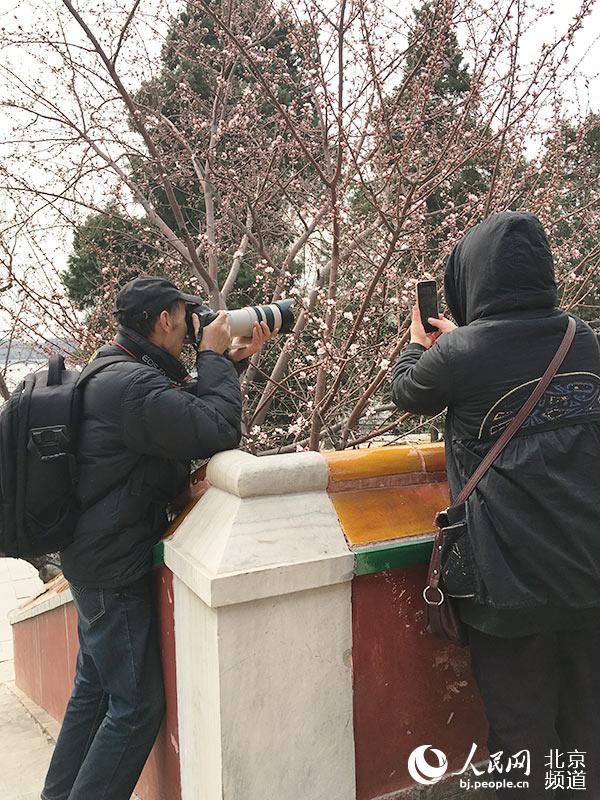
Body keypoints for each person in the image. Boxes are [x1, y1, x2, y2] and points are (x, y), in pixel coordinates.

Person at [391, 212, 600, 799]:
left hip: (507, 586)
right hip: (588, 573)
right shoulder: (581, 339)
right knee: (585, 732)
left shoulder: (461, 353)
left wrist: (418, 345)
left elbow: (407, 392)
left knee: (522, 739)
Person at [42, 276, 275, 800]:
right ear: (164, 319)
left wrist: (230, 363)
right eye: (184, 314)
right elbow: (216, 428)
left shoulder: (116, 371)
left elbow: (178, 416)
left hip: (94, 558)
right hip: (112, 568)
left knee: (94, 690)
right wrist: (213, 357)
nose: (192, 325)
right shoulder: (131, 384)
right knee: (136, 709)